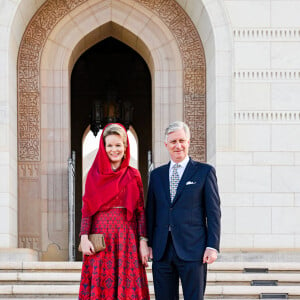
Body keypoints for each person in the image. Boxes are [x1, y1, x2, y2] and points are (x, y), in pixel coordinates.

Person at [146, 121, 221, 300]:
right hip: (162, 250)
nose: (177, 145)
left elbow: (213, 212)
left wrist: (212, 246)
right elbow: (151, 212)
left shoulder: (204, 172)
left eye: (181, 140)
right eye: (173, 142)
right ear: (166, 145)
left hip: (194, 249)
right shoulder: (156, 175)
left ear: (188, 142)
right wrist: (149, 243)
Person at [78, 123, 150, 300]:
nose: (114, 150)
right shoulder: (93, 175)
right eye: (109, 145)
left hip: (127, 238)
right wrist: (84, 237)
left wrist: (143, 241)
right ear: (103, 148)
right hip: (100, 237)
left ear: (125, 147)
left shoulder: (134, 175)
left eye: (118, 145)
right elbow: (87, 209)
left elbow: (140, 210)